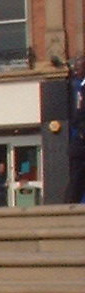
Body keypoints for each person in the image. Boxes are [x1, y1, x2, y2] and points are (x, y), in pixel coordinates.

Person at [64, 55, 85, 204]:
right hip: (80, 137)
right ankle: (71, 201)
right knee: (77, 173)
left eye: (79, 67)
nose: (76, 70)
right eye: (75, 67)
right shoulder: (74, 85)